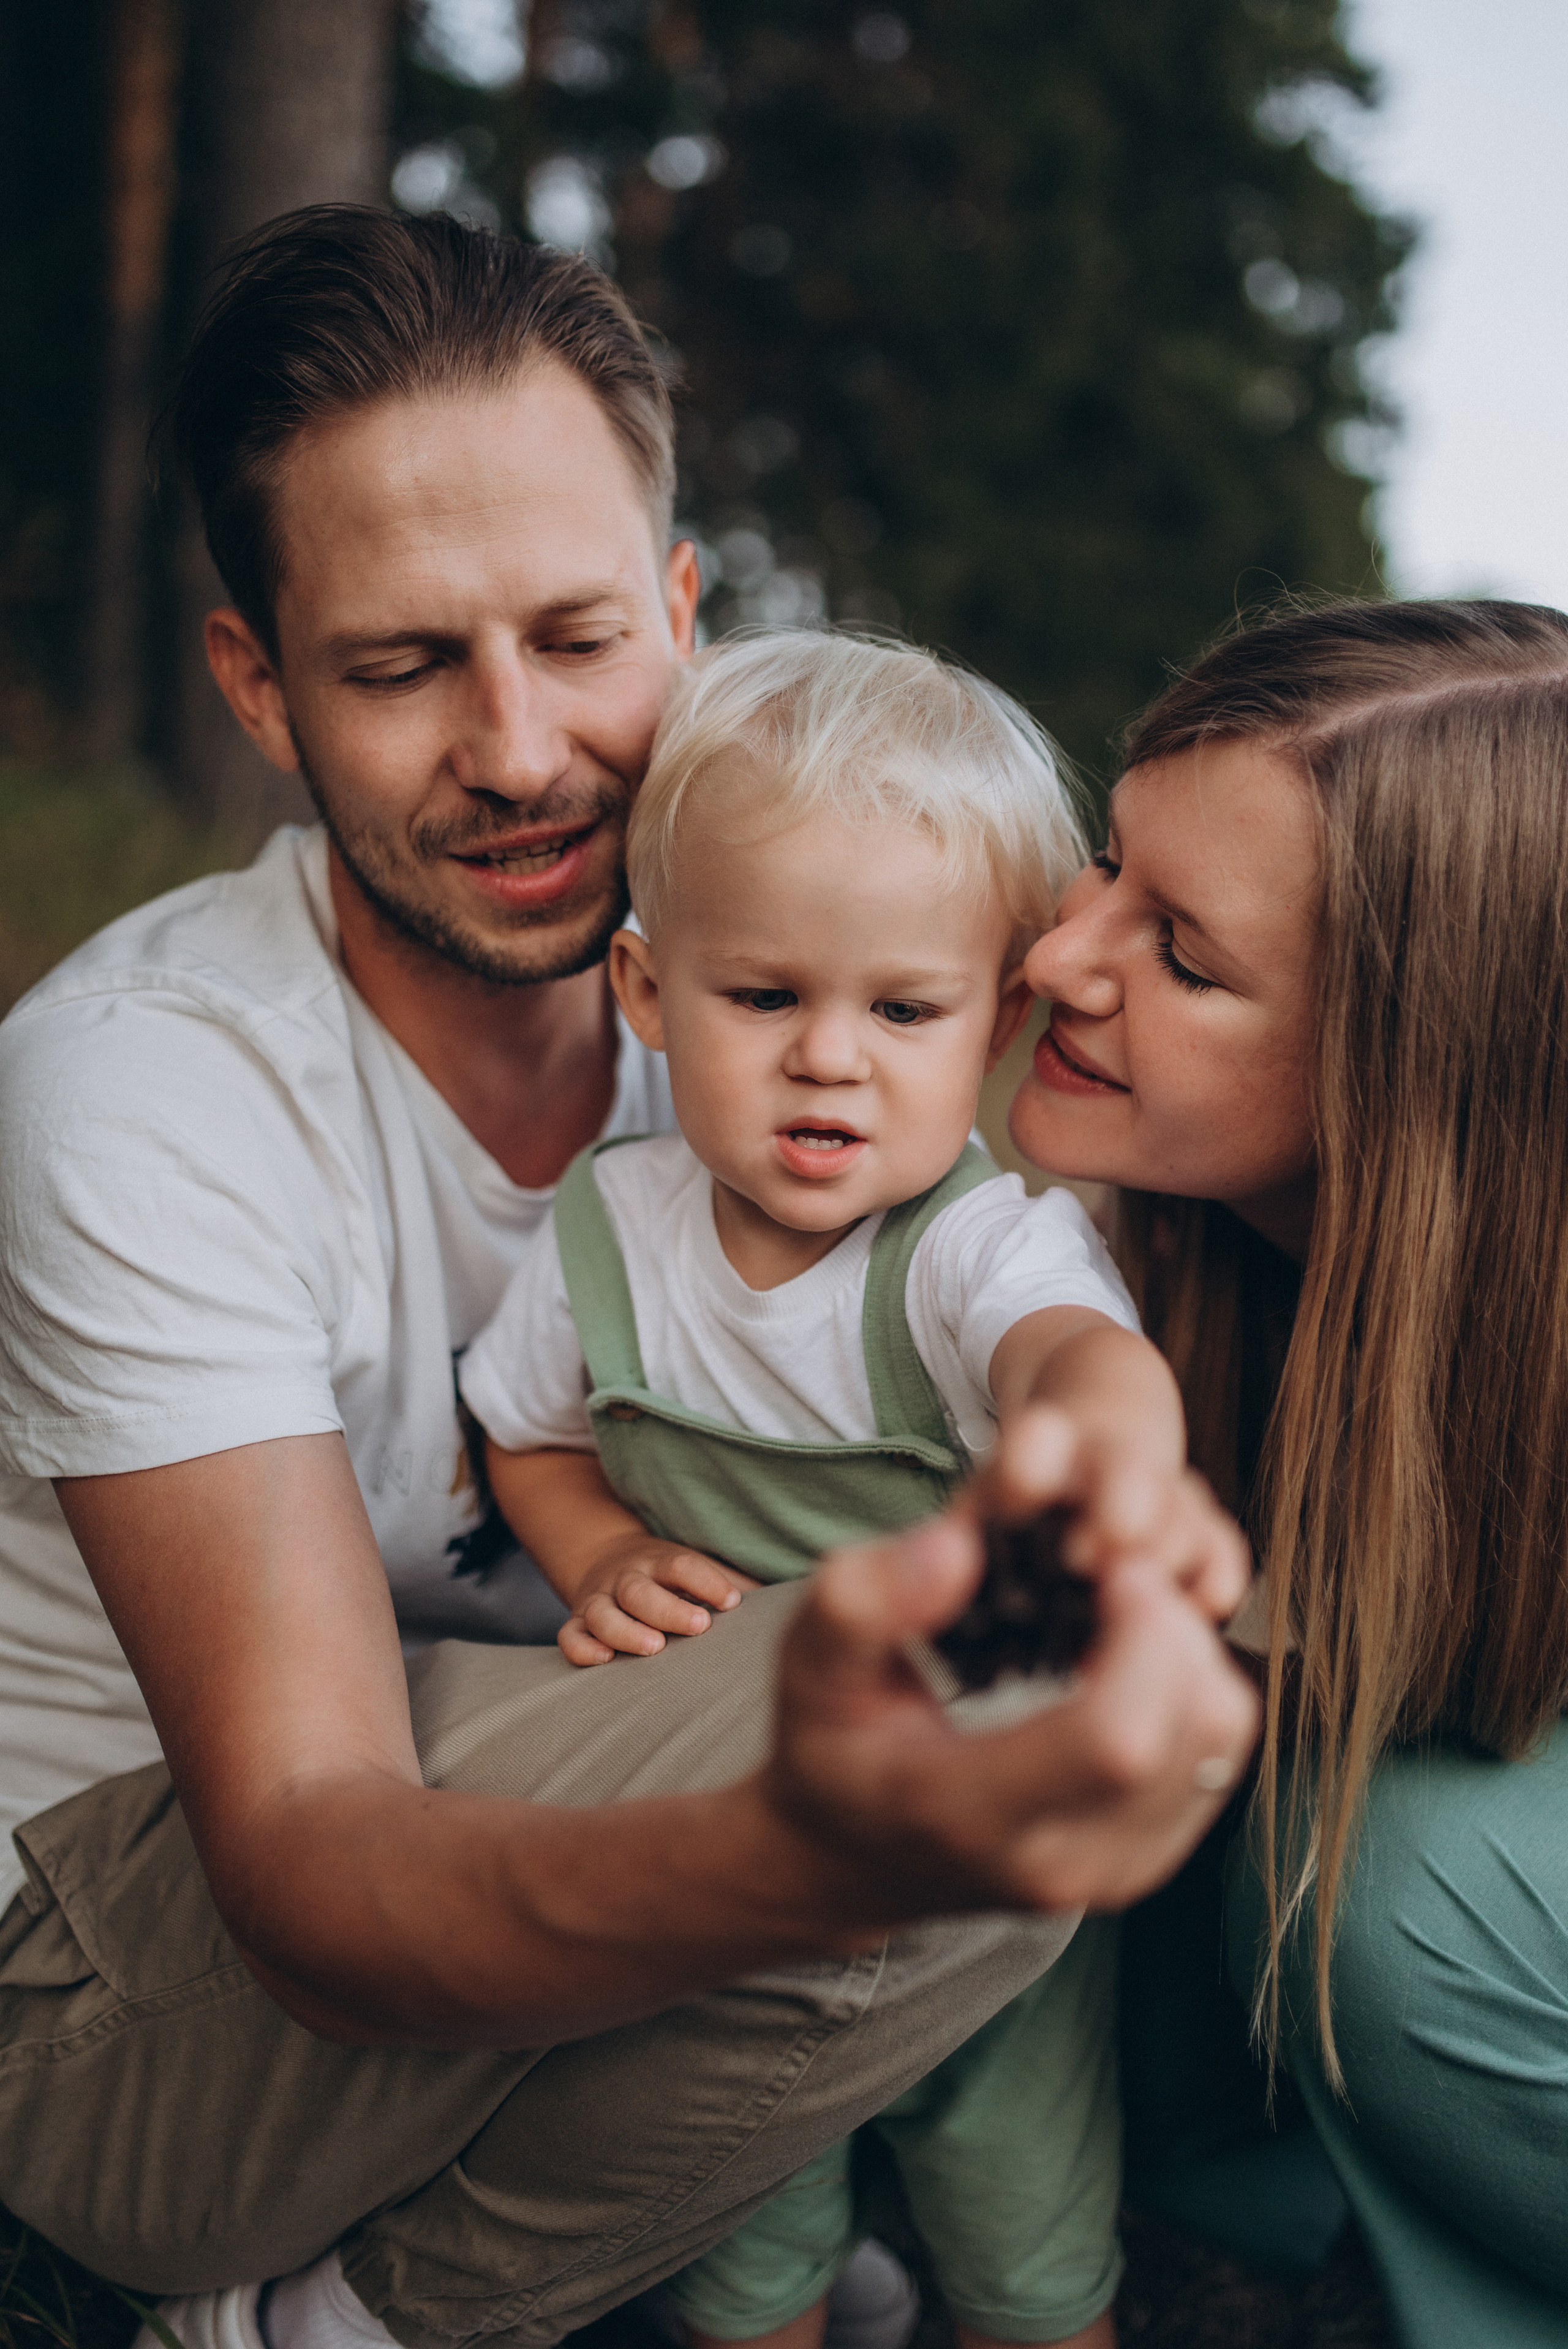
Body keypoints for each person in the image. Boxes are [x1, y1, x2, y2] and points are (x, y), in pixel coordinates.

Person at [0, 203, 1256, 2349]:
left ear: (684, 607)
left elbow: (1038, 1288)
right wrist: (821, 1854)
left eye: (582, 640)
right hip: (118, 1992)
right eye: (400, 666)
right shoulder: (141, 1090)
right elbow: (307, 1856)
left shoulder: (796, 1018)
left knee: (1031, 1645)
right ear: (258, 683)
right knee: (988, 1686)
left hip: (521, 1825)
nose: (516, 751)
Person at [463, 627, 1237, 2349]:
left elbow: (1073, 1359)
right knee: (743, 2226)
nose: (833, 1058)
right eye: (766, 998)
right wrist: (596, 1548)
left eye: (903, 1009)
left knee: (1023, 2223)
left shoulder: (973, 1242)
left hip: (979, 1852)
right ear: (651, 995)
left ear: (1003, 1022)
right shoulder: (607, 1232)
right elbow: (528, 1430)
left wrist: (1094, 1466)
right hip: (730, 1843)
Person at [1004, 596, 1568, 2349]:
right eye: (1106, 866)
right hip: (1236, 2175)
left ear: (1415, 1068)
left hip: (1455, 1958)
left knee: (1389, 1899)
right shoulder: (1161, 1267)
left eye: (1180, 951)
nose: (1056, 959)